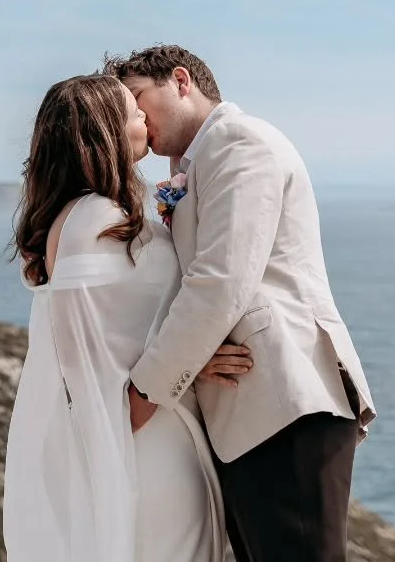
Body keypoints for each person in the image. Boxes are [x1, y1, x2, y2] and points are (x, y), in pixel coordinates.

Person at [106, 45, 377, 562]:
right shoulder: (200, 161)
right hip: (248, 411)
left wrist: (143, 398)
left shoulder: (239, 142)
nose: (137, 117)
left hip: (284, 399)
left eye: (140, 97)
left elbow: (220, 281)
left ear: (181, 81)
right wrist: (194, 357)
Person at [2, 73, 253, 562]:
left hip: (148, 425)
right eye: (131, 108)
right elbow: (86, 351)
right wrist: (188, 365)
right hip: (146, 436)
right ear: (104, 129)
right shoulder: (94, 219)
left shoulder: (88, 213)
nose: (143, 115)